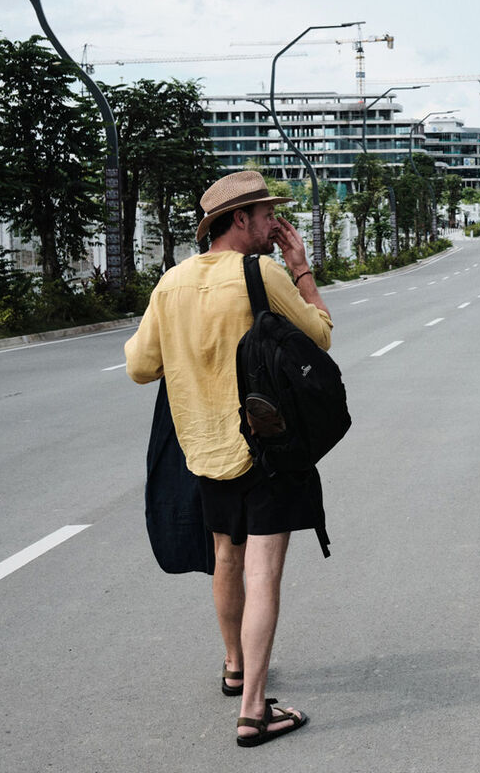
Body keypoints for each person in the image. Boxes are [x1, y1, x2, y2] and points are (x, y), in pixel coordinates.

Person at [126, 170, 334, 748]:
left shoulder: (171, 283)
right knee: (263, 571)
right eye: (266, 215)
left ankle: (235, 666)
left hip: (205, 450)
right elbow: (320, 335)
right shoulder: (260, 274)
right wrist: (301, 268)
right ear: (239, 219)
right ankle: (253, 712)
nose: (275, 224)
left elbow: (140, 366)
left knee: (226, 556)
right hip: (267, 448)